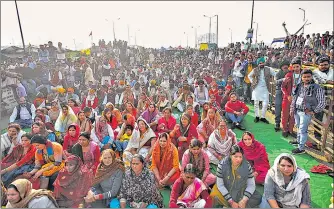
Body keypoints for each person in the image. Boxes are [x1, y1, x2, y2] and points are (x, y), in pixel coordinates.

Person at [290, 69, 326, 154]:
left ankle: (301, 148)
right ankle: (299, 141)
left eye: (308, 77)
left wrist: (314, 111)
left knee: (303, 129)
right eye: (304, 77)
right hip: (297, 110)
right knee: (298, 126)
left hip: (306, 112)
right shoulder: (299, 86)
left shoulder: (317, 87)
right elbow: (294, 98)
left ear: (312, 77)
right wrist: (292, 109)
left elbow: (322, 102)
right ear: (301, 77)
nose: (306, 78)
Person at [248, 57, 277, 124]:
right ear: (258, 64)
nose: (261, 64)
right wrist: (253, 81)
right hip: (257, 87)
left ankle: (263, 117)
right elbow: (249, 75)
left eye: (262, 63)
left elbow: (275, 74)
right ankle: (257, 116)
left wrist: (275, 80)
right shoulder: (255, 69)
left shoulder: (269, 69)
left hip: (265, 88)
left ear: (264, 62)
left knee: (265, 103)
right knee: (256, 103)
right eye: (260, 63)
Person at [281, 57, 302, 138]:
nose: (296, 68)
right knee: (285, 114)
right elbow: (282, 87)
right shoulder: (289, 75)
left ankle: (291, 130)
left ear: (300, 66)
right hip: (288, 98)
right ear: (292, 67)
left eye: (297, 66)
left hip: (298, 99)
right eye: (294, 67)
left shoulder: (303, 75)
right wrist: (287, 95)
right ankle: (285, 130)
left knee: (293, 115)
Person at [274, 60, 290, 131]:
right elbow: (275, 82)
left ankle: (287, 124)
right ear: (281, 67)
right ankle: (277, 123)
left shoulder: (290, 73)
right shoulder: (278, 73)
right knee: (278, 106)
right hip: (279, 91)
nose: (286, 69)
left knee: (288, 108)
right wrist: (283, 80)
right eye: (285, 68)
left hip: (289, 92)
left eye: (287, 68)